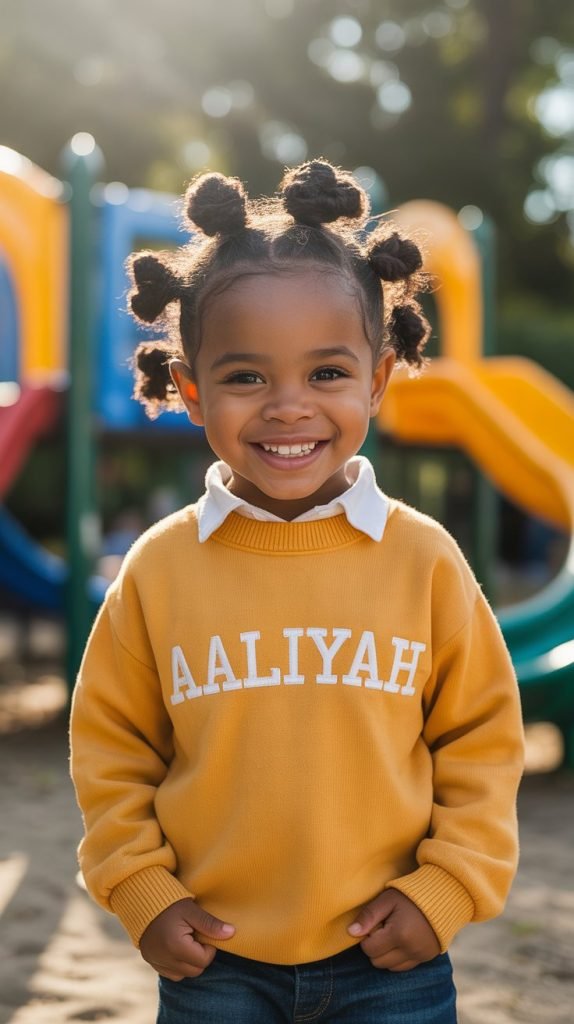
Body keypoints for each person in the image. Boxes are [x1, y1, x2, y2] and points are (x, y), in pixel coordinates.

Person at [70, 160, 525, 1024]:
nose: (287, 407)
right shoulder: (159, 570)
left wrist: (448, 889)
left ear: (378, 380)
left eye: (325, 374)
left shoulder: (422, 559)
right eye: (246, 378)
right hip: (214, 960)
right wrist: (143, 891)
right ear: (194, 390)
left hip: (392, 956)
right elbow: (111, 751)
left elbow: (482, 743)